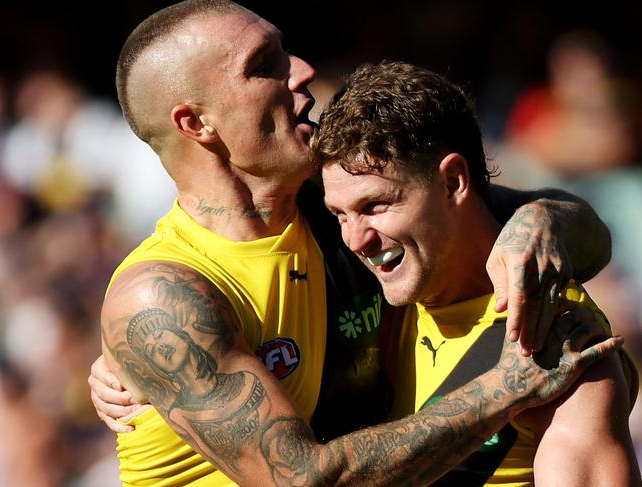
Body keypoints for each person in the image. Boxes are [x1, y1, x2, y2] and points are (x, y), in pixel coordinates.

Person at [91, 1, 619, 485]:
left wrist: (541, 220)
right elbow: (303, 480)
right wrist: (507, 388)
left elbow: (506, 214)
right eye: (263, 65)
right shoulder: (163, 298)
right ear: (196, 122)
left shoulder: (331, 205)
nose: (302, 71)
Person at [312, 60, 640, 485]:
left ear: (452, 182)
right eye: (339, 214)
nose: (355, 241)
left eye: (375, 206)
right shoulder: (385, 302)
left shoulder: (556, 339)